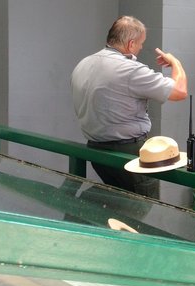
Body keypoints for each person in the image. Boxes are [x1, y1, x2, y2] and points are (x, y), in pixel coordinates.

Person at [71, 15, 187, 198]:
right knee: (141, 207)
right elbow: (179, 91)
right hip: (127, 152)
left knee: (115, 202)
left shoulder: (83, 64)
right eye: (141, 44)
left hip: (96, 150)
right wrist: (176, 63)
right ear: (131, 44)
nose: (140, 48)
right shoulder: (130, 70)